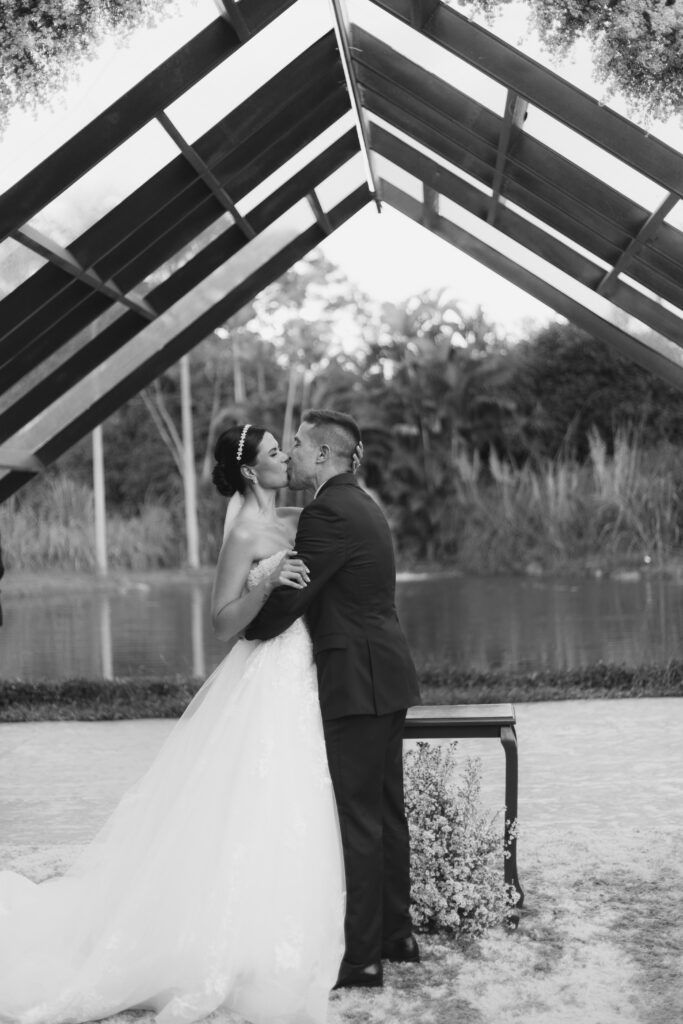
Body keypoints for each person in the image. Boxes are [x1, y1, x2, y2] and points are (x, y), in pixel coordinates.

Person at [0, 424, 345, 1024]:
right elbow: (222, 622)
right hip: (264, 671)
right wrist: (267, 582)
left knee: (298, 793)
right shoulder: (243, 533)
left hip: (304, 668)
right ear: (250, 471)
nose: (285, 459)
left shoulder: (300, 517)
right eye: (273, 453)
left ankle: (289, 923)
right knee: (252, 794)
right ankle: (226, 941)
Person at [245, 409, 422, 990]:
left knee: (360, 820)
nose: (291, 452)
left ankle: (363, 959)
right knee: (387, 812)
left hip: (356, 681)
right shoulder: (364, 504)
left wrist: (247, 629)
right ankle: (397, 935)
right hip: (387, 675)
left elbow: (293, 599)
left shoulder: (326, 513)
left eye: (297, 444)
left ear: (322, 453)